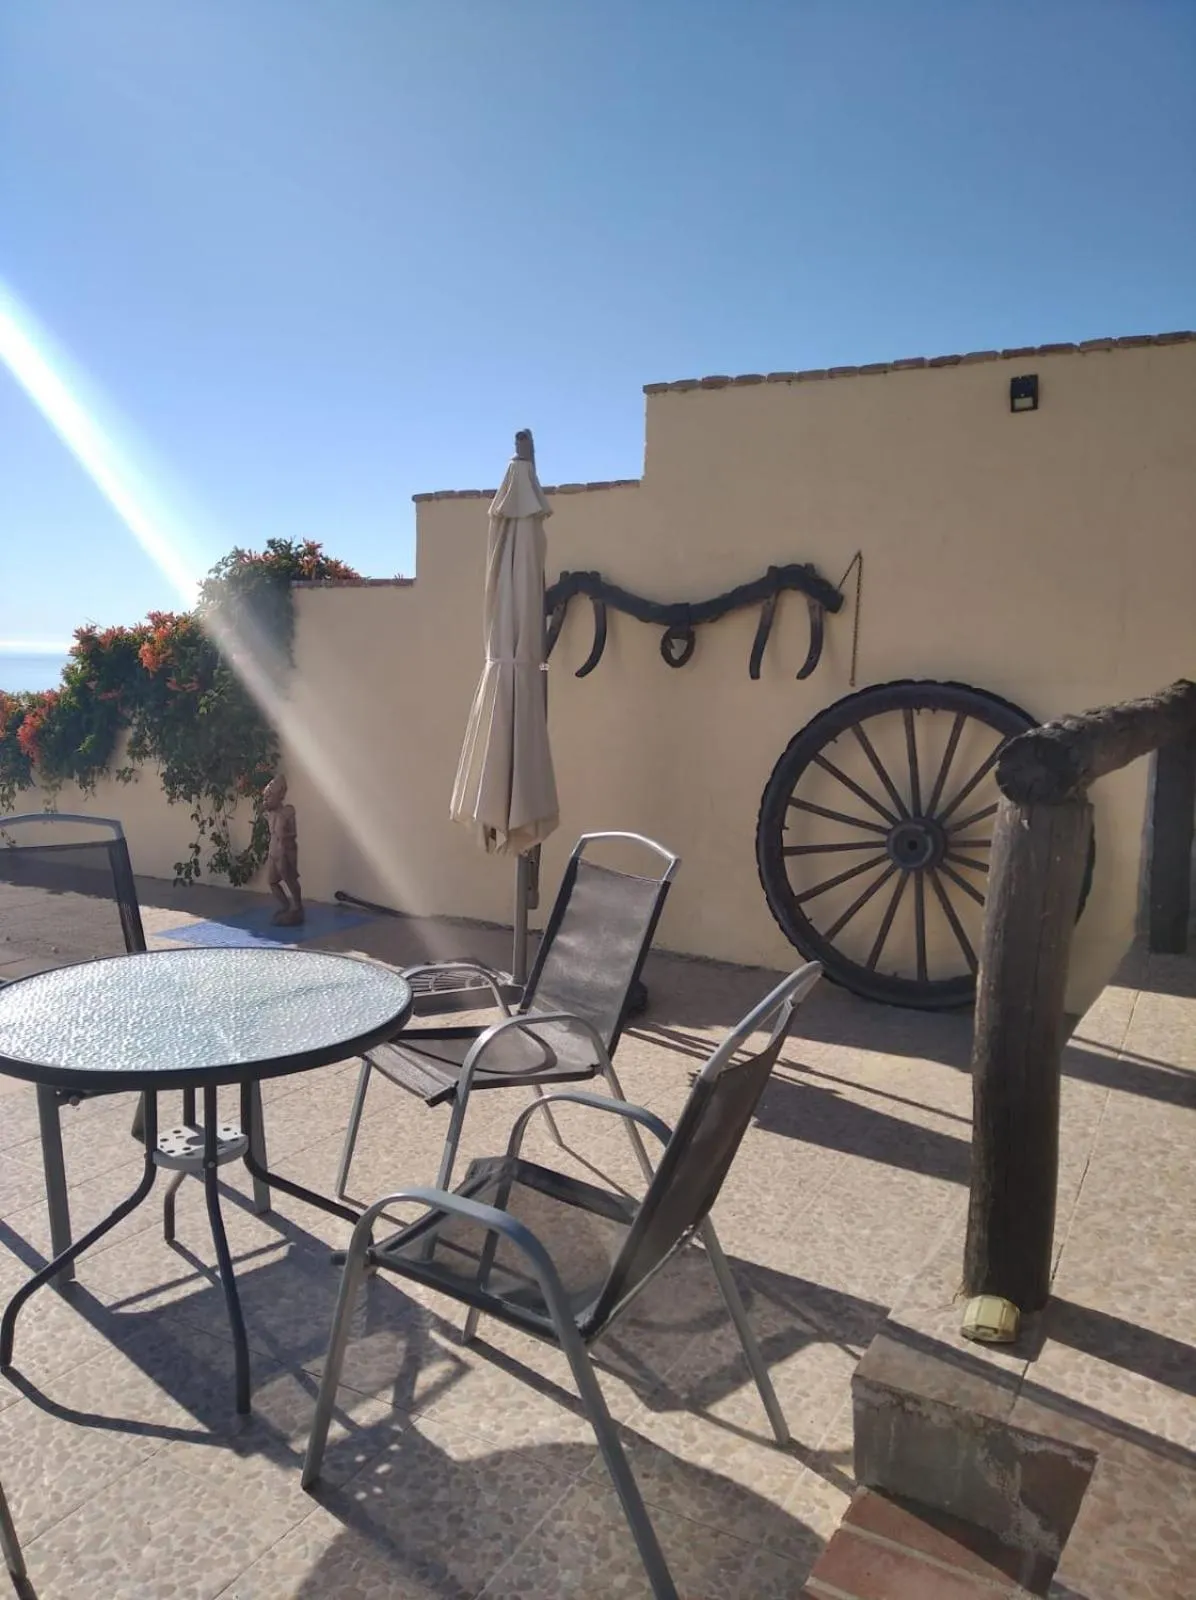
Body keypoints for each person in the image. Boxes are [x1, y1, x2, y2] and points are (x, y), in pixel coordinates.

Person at [263, 774, 304, 925]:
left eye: (269, 797)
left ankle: (298, 907)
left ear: (279, 796)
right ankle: (286, 906)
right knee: (272, 881)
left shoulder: (288, 811)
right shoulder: (271, 815)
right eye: (265, 797)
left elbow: (293, 833)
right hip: (273, 851)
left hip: (285, 850)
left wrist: (285, 840)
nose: (265, 801)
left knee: (290, 879)